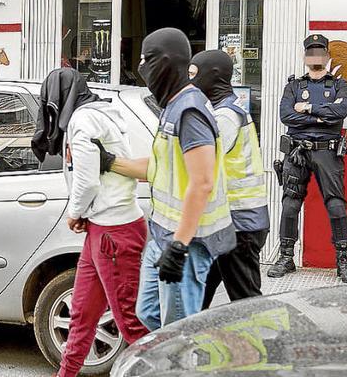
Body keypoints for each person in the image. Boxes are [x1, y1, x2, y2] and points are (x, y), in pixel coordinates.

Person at [97, 28, 235, 330]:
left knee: (177, 333)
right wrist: (109, 163)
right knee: (149, 315)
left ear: (166, 63)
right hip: (162, 235)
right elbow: (161, 167)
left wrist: (179, 246)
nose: (142, 68)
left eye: (147, 60)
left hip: (186, 242)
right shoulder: (172, 106)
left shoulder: (190, 111)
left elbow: (202, 181)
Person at [31, 68, 148, 377]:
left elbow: (87, 180)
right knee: (82, 314)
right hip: (106, 229)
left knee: (129, 322)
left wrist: (75, 212)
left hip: (113, 231)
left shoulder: (83, 121)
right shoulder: (104, 112)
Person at [268, 34, 347, 283]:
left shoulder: (340, 85)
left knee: (336, 204)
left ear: (328, 56)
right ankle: (286, 257)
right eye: (311, 51)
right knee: (290, 204)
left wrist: (307, 109)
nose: (316, 56)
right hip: (297, 152)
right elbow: (286, 116)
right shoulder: (294, 86)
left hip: (327, 151)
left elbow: (340, 112)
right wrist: (322, 117)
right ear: (305, 57)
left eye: (320, 51)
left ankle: (343, 260)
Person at [188, 51, 270, 308]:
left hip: (240, 224)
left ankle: (268, 344)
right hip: (228, 221)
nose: (189, 81)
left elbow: (200, 162)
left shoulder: (225, 117)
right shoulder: (221, 110)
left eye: (193, 75)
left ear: (212, 76)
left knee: (246, 303)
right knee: (197, 296)